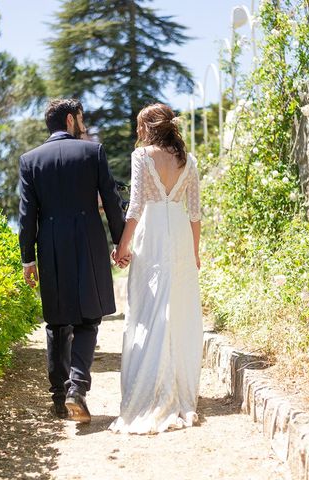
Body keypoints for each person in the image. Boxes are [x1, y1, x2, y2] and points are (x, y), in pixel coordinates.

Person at [18, 98, 127, 423]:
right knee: (88, 319)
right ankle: (76, 387)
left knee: (56, 323)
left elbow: (27, 216)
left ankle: (58, 398)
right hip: (88, 243)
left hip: (50, 246)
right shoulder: (91, 152)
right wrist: (120, 241)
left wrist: (28, 259)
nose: (82, 124)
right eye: (79, 119)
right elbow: (110, 198)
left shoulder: (30, 160)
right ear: (69, 120)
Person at [109, 103, 203, 434]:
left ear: (148, 128)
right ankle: (178, 389)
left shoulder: (142, 157)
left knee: (149, 309)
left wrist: (122, 246)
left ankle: (153, 390)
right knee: (177, 310)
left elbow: (135, 206)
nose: (137, 133)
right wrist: (194, 252)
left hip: (152, 237)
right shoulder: (188, 161)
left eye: (139, 126)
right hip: (178, 236)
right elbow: (195, 213)